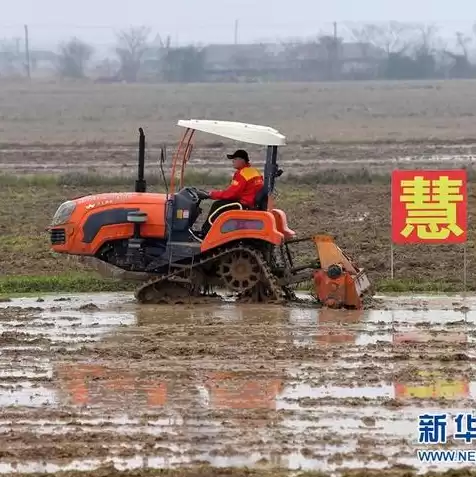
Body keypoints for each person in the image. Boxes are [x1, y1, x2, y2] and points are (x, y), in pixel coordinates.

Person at [195, 149, 264, 237]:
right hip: (251, 203)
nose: (233, 161)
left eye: (234, 159)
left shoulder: (242, 174)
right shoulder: (254, 171)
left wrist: (210, 194)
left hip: (245, 204)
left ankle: (205, 233)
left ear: (241, 160)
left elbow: (231, 194)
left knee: (217, 205)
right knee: (221, 204)